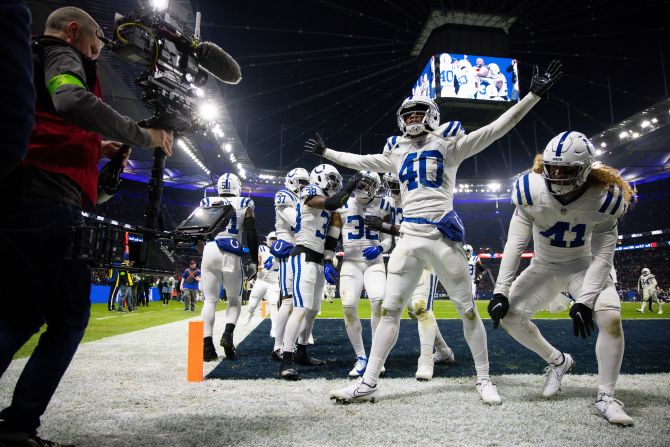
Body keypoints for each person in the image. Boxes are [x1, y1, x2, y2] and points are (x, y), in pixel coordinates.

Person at [308, 59, 562, 404]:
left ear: (431, 116)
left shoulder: (449, 145)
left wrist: (531, 95)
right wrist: (327, 152)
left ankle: (484, 379)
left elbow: (497, 128)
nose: (413, 119)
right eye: (408, 115)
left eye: (418, 113)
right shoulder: (395, 152)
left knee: (468, 311)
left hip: (442, 237)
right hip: (409, 238)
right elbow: (360, 160)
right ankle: (368, 381)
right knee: (390, 311)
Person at [0, 6, 173, 444]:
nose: (98, 53)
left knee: (27, 313)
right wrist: (142, 134)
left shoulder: (33, 58)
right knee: (61, 316)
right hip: (44, 198)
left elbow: (51, 124)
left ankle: (18, 425)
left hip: (26, 193)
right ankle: (19, 425)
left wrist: (98, 145)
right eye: (96, 43)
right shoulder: (61, 53)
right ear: (74, 31)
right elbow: (70, 100)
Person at [488, 131, 634, 426]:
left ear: (584, 169)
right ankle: (558, 361)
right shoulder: (530, 190)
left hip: (585, 265)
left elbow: (604, 255)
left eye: (565, 169)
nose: (557, 175)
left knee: (610, 319)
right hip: (544, 266)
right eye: (552, 168)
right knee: (509, 317)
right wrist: (500, 291)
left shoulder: (605, 198)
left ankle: (606, 396)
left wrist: (585, 300)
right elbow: (515, 244)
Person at [280, 164, 360, 380]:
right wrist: (351, 185)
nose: (335, 183)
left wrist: (327, 259)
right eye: (332, 179)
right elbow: (333, 201)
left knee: (313, 310)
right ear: (321, 178)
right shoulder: (310, 191)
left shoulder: (332, 210)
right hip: (303, 255)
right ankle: (286, 359)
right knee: (300, 308)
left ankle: (302, 352)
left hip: (317, 259)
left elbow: (333, 235)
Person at [332, 171, 392, 378]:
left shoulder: (384, 204)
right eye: (360, 182)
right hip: (350, 262)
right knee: (348, 307)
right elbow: (333, 234)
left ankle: (377, 356)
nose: (361, 187)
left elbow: (388, 239)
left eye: (366, 184)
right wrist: (327, 258)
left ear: (375, 186)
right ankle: (361, 356)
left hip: (374, 262)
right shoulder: (343, 204)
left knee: (378, 302)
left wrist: (381, 249)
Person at [200, 173, 258, 361]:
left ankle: (207, 346)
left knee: (209, 301)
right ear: (237, 186)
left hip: (210, 249)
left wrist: (202, 250)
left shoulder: (207, 200)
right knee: (234, 300)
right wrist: (253, 259)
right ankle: (228, 334)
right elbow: (250, 231)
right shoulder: (245, 202)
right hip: (232, 250)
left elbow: (197, 230)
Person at [270, 168, 310, 360]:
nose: (303, 186)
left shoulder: (300, 198)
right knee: (287, 300)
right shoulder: (284, 195)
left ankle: (288, 344)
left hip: (299, 248)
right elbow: (296, 222)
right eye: (301, 181)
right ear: (292, 181)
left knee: (297, 301)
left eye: (305, 182)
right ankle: (278, 346)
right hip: (288, 248)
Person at [243, 232, 280, 335]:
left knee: (274, 304)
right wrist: (256, 267)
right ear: (267, 239)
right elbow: (256, 259)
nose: (274, 241)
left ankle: (275, 328)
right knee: (252, 304)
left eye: (275, 239)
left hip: (274, 282)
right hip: (261, 280)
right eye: (272, 239)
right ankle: (250, 313)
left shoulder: (282, 251)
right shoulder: (262, 248)